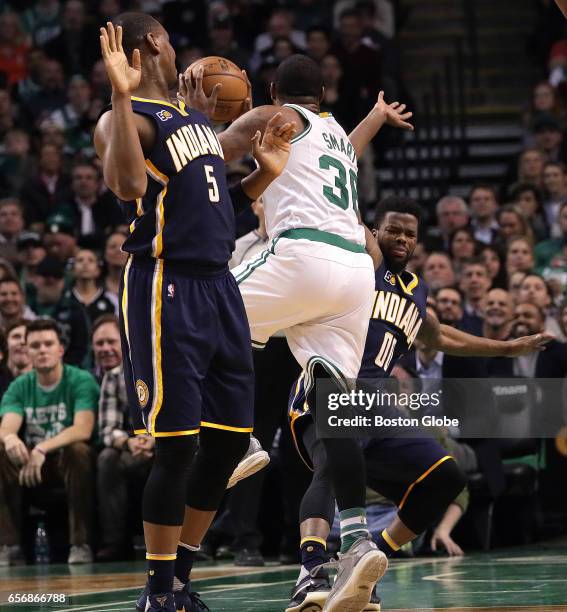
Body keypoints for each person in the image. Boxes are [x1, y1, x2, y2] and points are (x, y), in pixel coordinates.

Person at [181, 54, 413, 611]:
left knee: (203, 308)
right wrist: (376, 117)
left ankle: (239, 440)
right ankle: (356, 542)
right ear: (326, 92)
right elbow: (348, 149)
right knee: (335, 411)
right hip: (356, 273)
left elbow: (208, 156)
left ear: (272, 89)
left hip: (302, 252)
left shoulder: (271, 115)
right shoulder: (333, 133)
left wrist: (194, 113)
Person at [94, 15, 296, 612]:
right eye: (170, 39)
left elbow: (214, 215)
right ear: (155, 41)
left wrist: (262, 176)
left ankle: (178, 581)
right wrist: (121, 92)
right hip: (166, 286)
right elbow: (129, 186)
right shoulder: (122, 117)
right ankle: (157, 593)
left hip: (218, 285)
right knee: (177, 444)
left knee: (232, 442)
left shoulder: (196, 124)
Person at [285, 196, 551, 612]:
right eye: (393, 229)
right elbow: (348, 216)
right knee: (333, 465)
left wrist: (507, 348)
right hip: (329, 386)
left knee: (447, 478)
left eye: (410, 233)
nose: (402, 238)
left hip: (377, 402)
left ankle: (365, 564)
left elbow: (440, 336)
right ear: (374, 232)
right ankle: (311, 571)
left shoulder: (415, 290)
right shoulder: (360, 262)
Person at [0, 318, 99, 565]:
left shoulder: (80, 380)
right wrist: (10, 438)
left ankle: (80, 544)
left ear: (60, 349)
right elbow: (8, 425)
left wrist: (43, 447)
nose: (42, 350)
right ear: (27, 352)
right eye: (35, 346)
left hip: (67, 461)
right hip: (31, 466)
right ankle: (9, 545)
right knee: (2, 451)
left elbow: (83, 429)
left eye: (47, 344)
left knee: (78, 450)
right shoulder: (20, 386)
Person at [95, 314, 153, 561]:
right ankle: (115, 543)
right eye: (99, 343)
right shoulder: (113, 376)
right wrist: (128, 442)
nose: (106, 348)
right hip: (131, 447)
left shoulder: (158, 366)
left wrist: (156, 439)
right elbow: (107, 429)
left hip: (165, 442)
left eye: (111, 341)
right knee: (107, 458)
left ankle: (188, 541)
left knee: (181, 452)